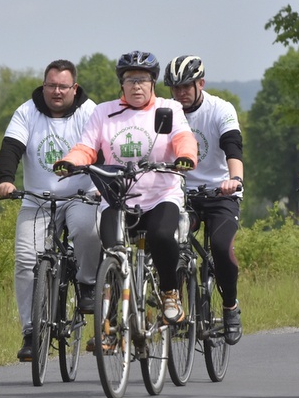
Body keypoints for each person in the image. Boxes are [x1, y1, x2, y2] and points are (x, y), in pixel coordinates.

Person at [53, 50, 198, 326]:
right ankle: (112, 322)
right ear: (122, 84)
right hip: (118, 198)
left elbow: (183, 138)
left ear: (153, 82)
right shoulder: (104, 112)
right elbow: (86, 147)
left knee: (162, 235)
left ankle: (170, 293)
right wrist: (70, 162)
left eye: (143, 79)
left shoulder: (168, 109)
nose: (136, 86)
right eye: (130, 80)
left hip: (160, 195)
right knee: (112, 252)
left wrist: (185, 156)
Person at [0, 59, 100, 362]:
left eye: (63, 86)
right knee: (27, 259)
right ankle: (31, 331)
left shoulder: (89, 111)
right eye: (51, 85)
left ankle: (87, 281)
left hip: (81, 195)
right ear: (44, 86)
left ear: (74, 88)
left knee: (88, 229)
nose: (56, 91)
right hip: (37, 199)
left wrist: (100, 187)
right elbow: (12, 146)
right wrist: (5, 180)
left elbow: (102, 150)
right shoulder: (27, 111)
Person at [164, 55, 244, 345]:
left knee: (222, 248)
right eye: (174, 88)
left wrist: (234, 180)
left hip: (220, 192)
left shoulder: (220, 109)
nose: (180, 93)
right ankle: (176, 307)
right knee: (169, 243)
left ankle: (230, 306)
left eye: (186, 86)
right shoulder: (167, 111)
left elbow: (233, 146)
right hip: (181, 193)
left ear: (201, 83)